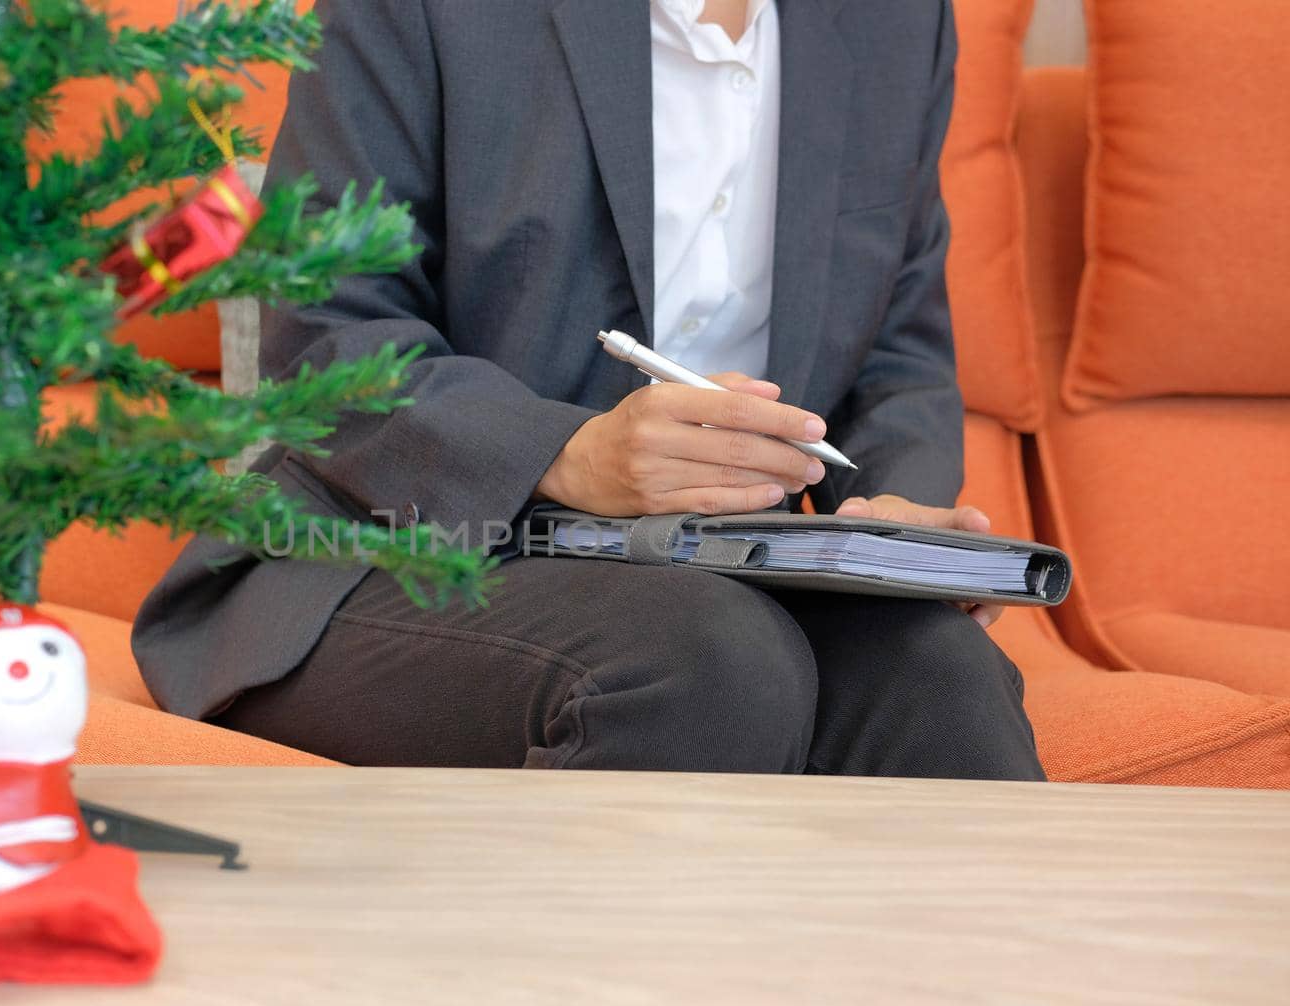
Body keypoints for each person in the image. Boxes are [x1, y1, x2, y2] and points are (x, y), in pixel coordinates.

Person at [132, 0, 1046, 781]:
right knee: (707, 666)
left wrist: (894, 512)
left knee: (946, 685)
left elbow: (899, 349)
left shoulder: (901, 20)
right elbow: (327, 333)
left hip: (739, 565)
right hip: (390, 548)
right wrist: (573, 455)